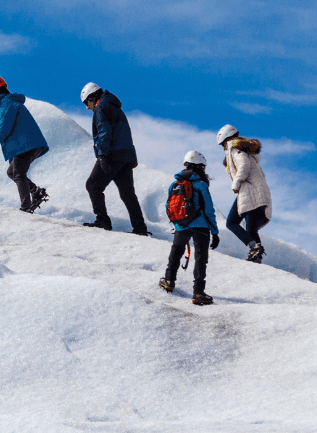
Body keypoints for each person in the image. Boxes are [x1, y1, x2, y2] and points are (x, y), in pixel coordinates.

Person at [80, 83, 148, 235]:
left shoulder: (101, 108)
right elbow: (126, 134)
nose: (87, 107)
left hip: (112, 154)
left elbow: (104, 132)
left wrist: (102, 155)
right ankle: (140, 228)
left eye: (86, 103)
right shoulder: (115, 107)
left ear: (92, 97)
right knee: (127, 193)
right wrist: (132, 157)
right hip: (126, 156)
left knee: (93, 185)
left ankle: (102, 220)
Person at [158, 151, 219, 305]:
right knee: (200, 258)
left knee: (175, 253)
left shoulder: (175, 184)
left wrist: (178, 223)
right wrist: (215, 232)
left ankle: (169, 281)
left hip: (181, 225)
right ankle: (198, 293)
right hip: (200, 226)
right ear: (199, 166)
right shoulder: (201, 184)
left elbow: (168, 206)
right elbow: (209, 210)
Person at [0, 76, 49, 213]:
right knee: (12, 172)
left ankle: (26, 207)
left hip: (27, 144)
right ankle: (36, 192)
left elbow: (5, 127)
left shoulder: (6, 103)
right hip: (27, 144)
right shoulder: (9, 102)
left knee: (18, 173)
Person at [216, 125, 271, 263]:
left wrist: (236, 183)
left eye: (222, 144)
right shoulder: (246, 150)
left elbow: (243, 166)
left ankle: (253, 248)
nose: (223, 147)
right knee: (251, 228)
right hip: (257, 190)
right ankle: (256, 254)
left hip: (248, 190)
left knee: (231, 222)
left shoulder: (234, 147)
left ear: (225, 139)